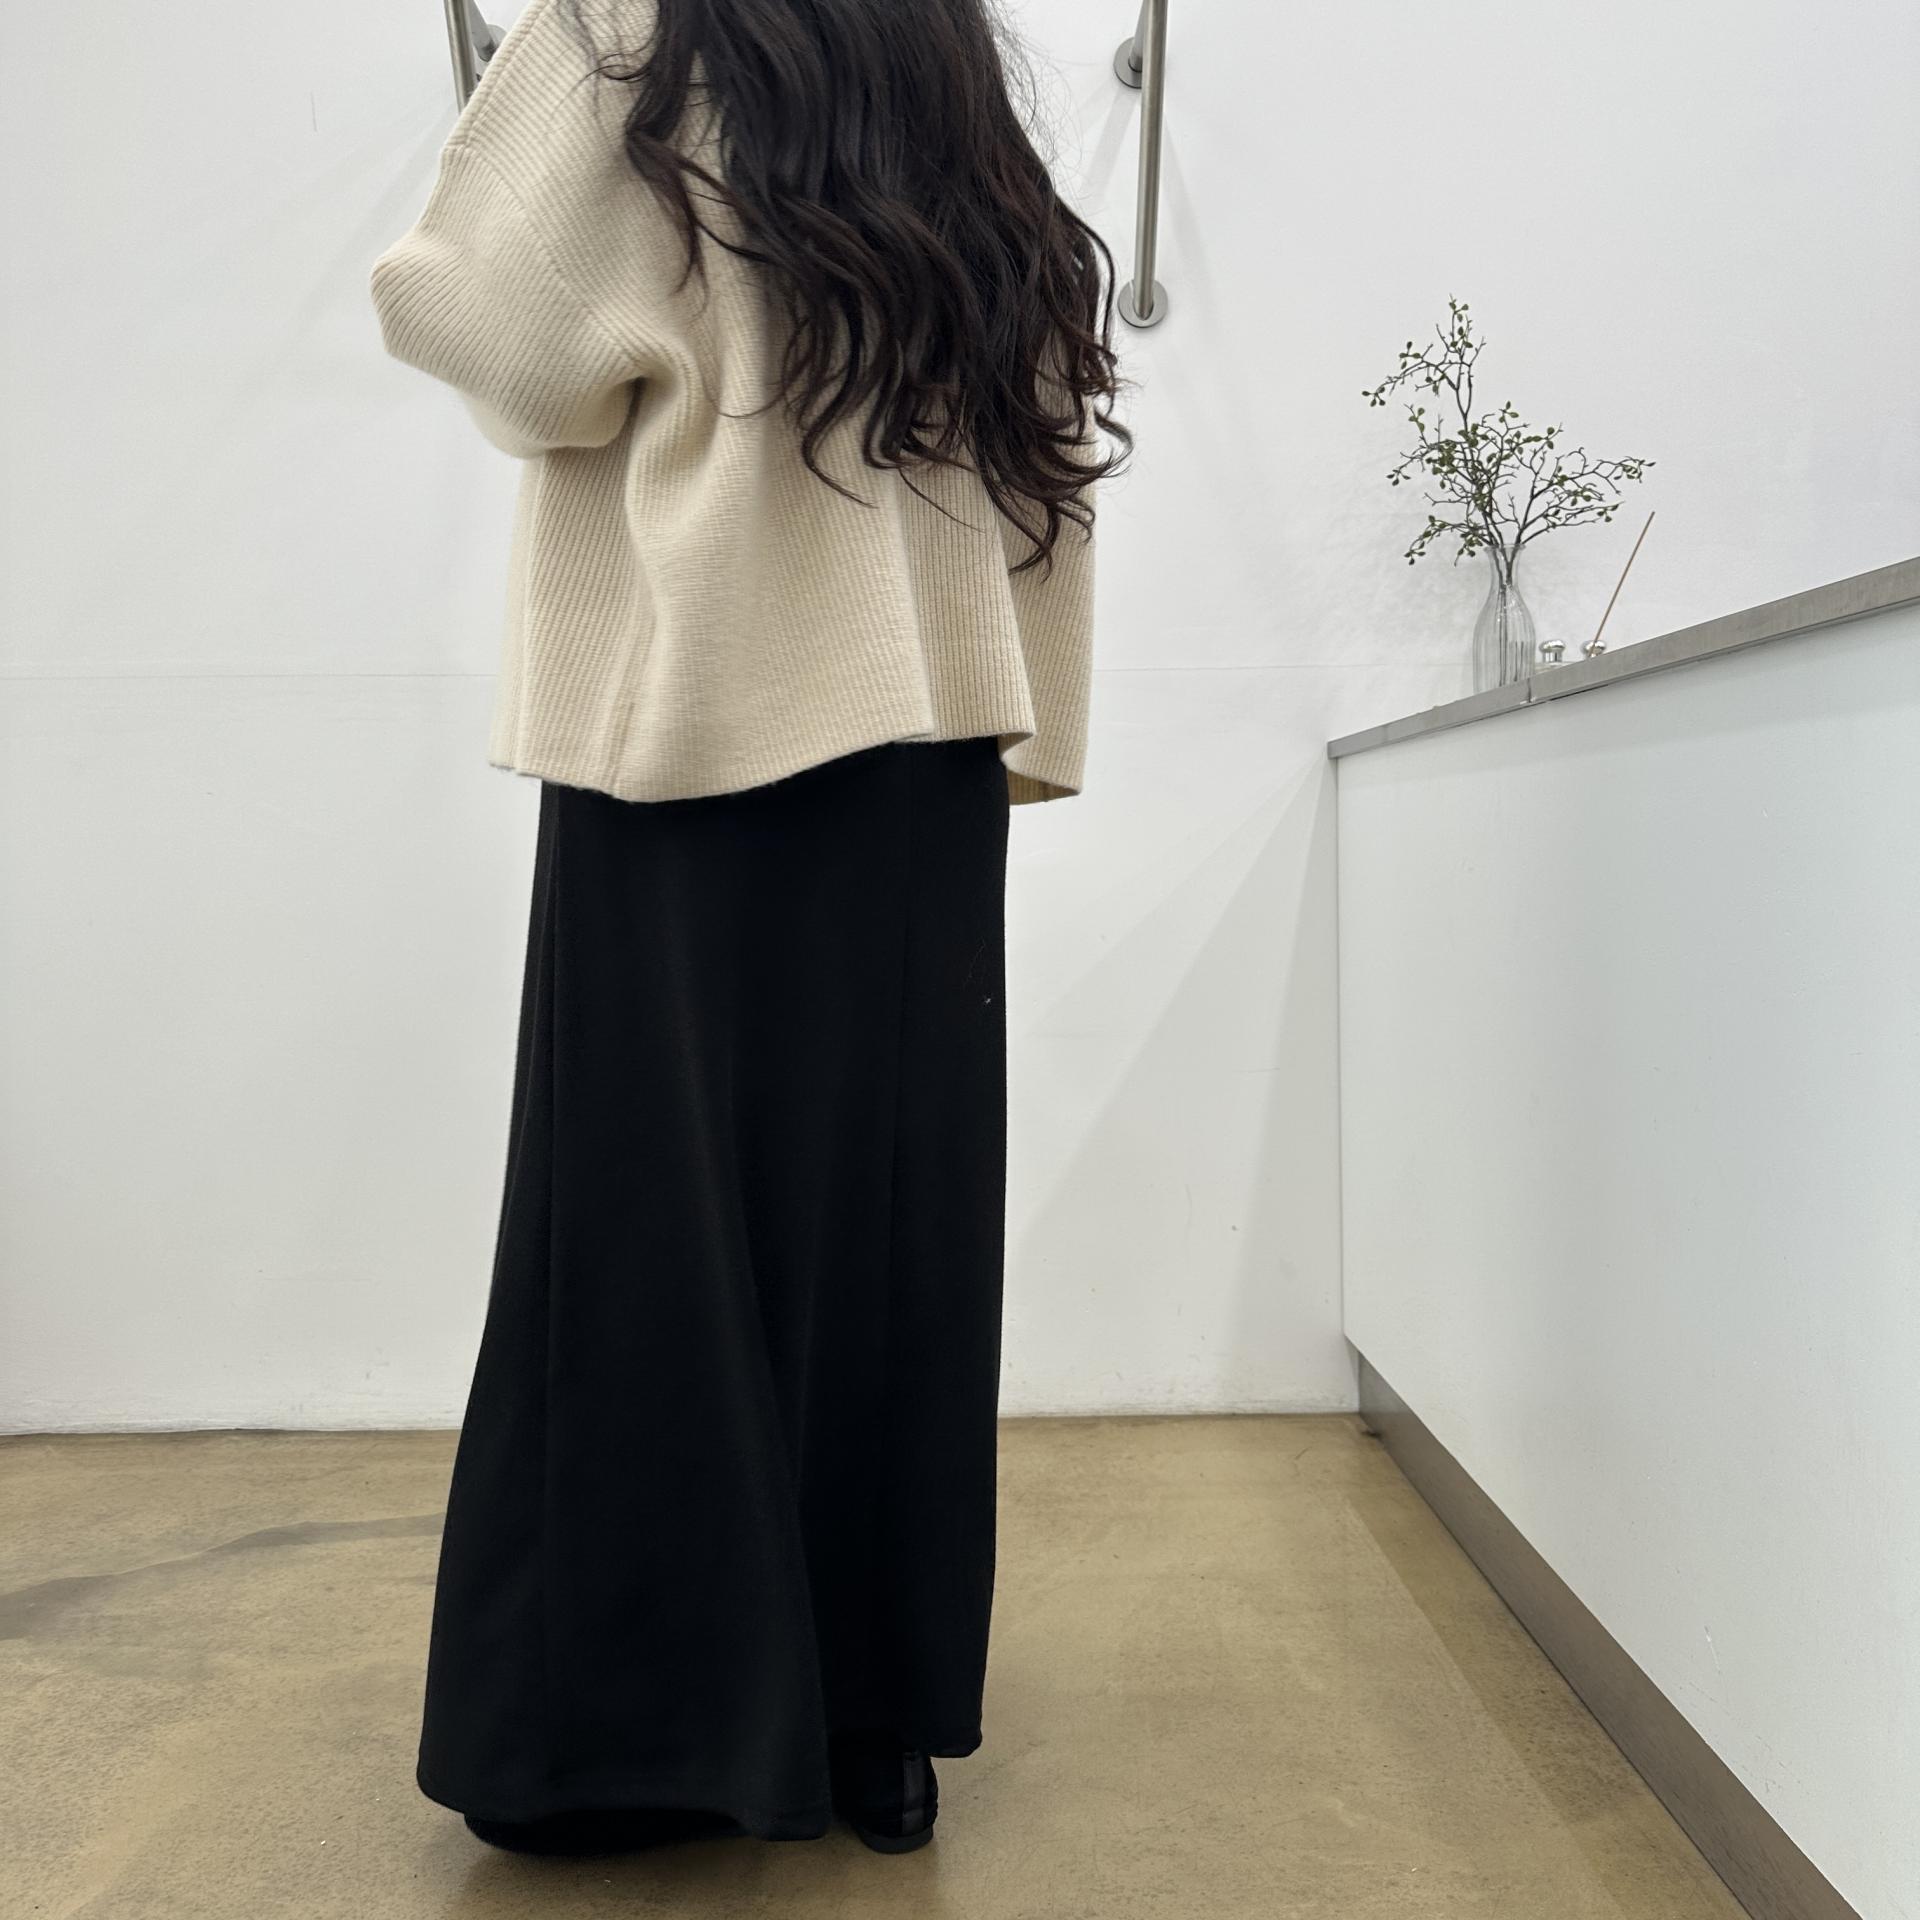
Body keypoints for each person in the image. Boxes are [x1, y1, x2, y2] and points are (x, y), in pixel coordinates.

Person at [367, 0, 1126, 1858]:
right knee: (887, 1232)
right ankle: (873, 1728)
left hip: (694, 710)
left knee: (648, 1228)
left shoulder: (631, 23)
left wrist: (663, 343)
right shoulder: (933, 48)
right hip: (919, 729)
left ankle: (640, 1738)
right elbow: (1035, 370)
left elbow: (483, 319)